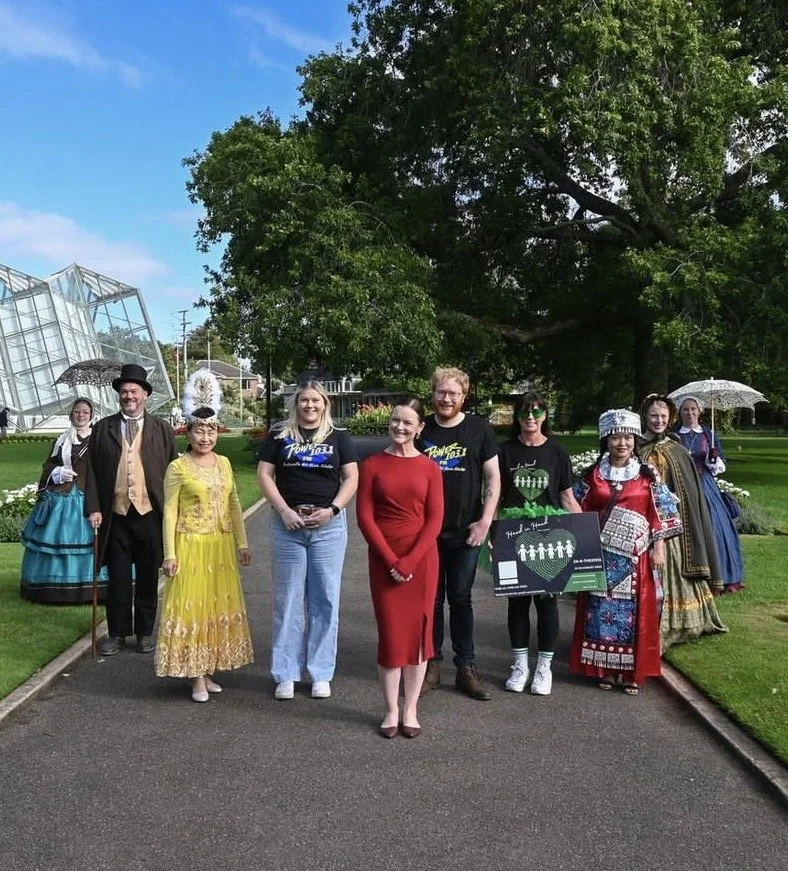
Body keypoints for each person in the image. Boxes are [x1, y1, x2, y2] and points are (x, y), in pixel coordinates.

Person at [155, 369, 253, 703]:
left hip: (220, 546)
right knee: (193, 610)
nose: (206, 438)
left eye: (211, 431)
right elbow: (169, 511)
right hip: (191, 546)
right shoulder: (178, 467)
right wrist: (170, 554)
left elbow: (234, 503)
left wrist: (242, 542)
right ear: (189, 432)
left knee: (213, 608)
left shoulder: (224, 463)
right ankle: (195, 675)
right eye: (200, 431)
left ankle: (208, 669)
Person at [257, 380, 359, 700]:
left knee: (325, 600)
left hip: (327, 528)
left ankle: (320, 672)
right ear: (296, 403)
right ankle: (286, 672)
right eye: (304, 400)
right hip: (288, 527)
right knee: (287, 601)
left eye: (315, 400)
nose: (309, 405)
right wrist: (284, 510)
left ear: (324, 403)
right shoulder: (280, 435)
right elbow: (264, 474)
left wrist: (333, 509)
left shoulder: (339, 437)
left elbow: (352, 477)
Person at [570, 409, 682, 694]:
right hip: (601, 554)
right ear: (606, 440)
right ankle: (605, 669)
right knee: (599, 613)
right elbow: (575, 508)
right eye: (616, 437)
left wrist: (659, 548)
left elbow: (663, 512)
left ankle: (632, 672)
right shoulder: (593, 474)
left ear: (634, 440)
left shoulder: (647, 474)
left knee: (635, 616)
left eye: (628, 437)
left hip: (636, 558)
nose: (622, 443)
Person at [356, 398, 444, 738]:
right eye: (395, 420)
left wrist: (409, 561)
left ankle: (411, 709)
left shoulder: (430, 468)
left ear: (420, 427)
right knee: (392, 636)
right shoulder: (373, 465)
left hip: (421, 561)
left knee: (419, 638)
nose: (400, 427)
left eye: (408, 422)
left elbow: (435, 520)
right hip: (384, 559)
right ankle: (391, 709)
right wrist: (392, 560)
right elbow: (365, 517)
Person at [419, 366, 500, 701]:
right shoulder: (422, 428)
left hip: (466, 530)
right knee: (432, 600)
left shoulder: (478, 429)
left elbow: (493, 479)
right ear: (433, 393)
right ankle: (432, 665)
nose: (446, 398)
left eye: (453, 393)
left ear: (463, 396)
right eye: (441, 392)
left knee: (461, 598)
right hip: (428, 532)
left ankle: (466, 667)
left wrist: (485, 521)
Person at [85, 363, 177, 656]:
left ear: (145, 394)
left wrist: (176, 510)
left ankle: (145, 632)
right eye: (124, 391)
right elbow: (91, 473)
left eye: (134, 391)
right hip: (116, 515)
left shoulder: (162, 429)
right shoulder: (102, 429)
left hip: (150, 513)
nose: (129, 396)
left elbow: (175, 472)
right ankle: (117, 633)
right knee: (119, 577)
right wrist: (94, 508)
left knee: (149, 576)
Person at [497, 391, 582, 696]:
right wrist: (491, 531)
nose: (529, 418)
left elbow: (566, 496)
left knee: (547, 601)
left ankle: (543, 668)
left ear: (545, 416)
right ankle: (520, 665)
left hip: (551, 533)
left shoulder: (557, 452)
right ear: (516, 417)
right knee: (517, 601)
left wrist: (585, 536)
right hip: (512, 533)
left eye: (535, 412)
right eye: (523, 412)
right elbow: (494, 494)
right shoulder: (504, 451)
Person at [637, 394, 727, 647]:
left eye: (664, 416)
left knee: (672, 566)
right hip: (641, 523)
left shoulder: (677, 449)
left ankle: (677, 623)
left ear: (670, 418)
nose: (659, 420)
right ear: (646, 416)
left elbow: (689, 492)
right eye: (654, 415)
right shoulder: (633, 446)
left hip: (671, 527)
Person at [20, 398, 107, 603]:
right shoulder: (61, 440)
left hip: (90, 497)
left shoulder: (99, 439)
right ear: (71, 415)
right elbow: (48, 465)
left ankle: (96, 588)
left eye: (85, 412)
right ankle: (54, 587)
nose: (81, 415)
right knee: (57, 538)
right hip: (63, 496)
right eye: (77, 412)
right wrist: (57, 472)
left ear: (91, 415)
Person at [673, 395, 744, 592]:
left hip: (705, 484)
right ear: (680, 412)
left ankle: (721, 574)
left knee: (715, 526)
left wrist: (714, 459)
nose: (690, 413)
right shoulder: (675, 435)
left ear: (700, 411)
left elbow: (720, 463)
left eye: (693, 409)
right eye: (686, 410)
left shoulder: (708, 434)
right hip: (681, 485)